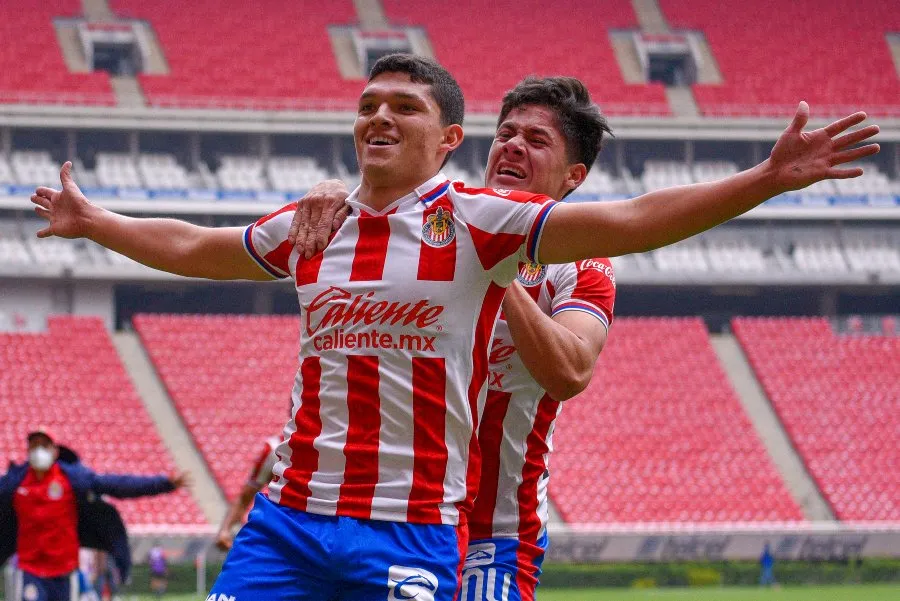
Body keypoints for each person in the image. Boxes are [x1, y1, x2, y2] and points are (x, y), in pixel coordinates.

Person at [29, 54, 878, 600]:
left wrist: (762, 179)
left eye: (404, 105)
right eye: (369, 104)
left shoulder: (499, 236)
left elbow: (631, 231)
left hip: (449, 527)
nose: (381, 117)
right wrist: (97, 219)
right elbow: (196, 244)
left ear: (443, 138)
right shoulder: (320, 222)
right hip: (293, 516)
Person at [288, 76, 618, 601]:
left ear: (573, 175)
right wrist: (330, 191)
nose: (512, 145)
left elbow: (571, 371)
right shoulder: (443, 223)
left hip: (496, 530)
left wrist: (490, 268)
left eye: (536, 141)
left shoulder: (580, 269)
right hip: (399, 515)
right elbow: (377, 197)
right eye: (505, 133)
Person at [0, 428, 189, 601]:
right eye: (34, 445)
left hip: (64, 572)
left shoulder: (72, 480)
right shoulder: (15, 483)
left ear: (55, 451)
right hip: (30, 570)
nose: (38, 450)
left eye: (44, 445)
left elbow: (117, 485)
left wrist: (164, 484)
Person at [215, 434, 282, 551]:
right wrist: (225, 530)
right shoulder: (274, 449)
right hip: (285, 532)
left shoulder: (324, 447)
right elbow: (244, 498)